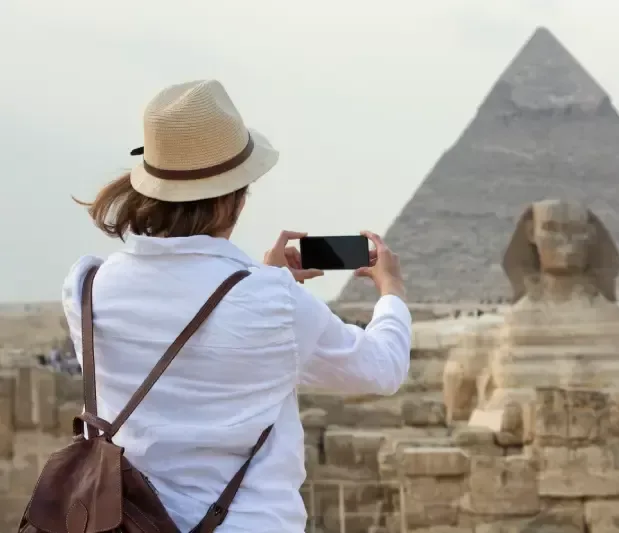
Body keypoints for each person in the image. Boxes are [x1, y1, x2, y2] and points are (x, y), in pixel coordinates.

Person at [61, 80, 411, 533]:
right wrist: (391, 290)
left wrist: (264, 281)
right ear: (234, 199)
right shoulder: (272, 304)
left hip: (125, 523)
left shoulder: (86, 288)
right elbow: (382, 368)